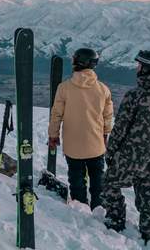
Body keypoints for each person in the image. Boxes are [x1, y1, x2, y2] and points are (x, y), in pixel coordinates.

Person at [102, 50, 150, 245]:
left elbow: (120, 128)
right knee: (147, 192)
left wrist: (111, 153)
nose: (137, 68)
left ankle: (116, 219)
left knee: (110, 184)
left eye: (139, 66)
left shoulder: (134, 96)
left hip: (129, 155)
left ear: (147, 69)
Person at [48, 48, 113, 210]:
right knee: (98, 178)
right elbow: (108, 116)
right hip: (96, 144)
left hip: (73, 144)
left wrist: (53, 136)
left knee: (76, 178)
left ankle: (80, 207)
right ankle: (99, 207)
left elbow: (56, 115)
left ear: (77, 62)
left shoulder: (64, 88)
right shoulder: (103, 89)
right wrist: (105, 134)